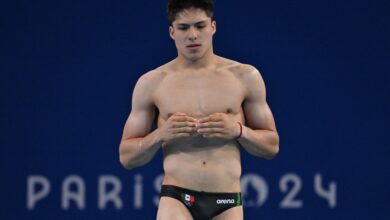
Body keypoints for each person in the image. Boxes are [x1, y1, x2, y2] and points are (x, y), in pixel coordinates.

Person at [119, 0, 279, 219]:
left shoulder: (245, 77)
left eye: (200, 26)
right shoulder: (151, 83)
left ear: (213, 27)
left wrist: (239, 131)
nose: (192, 35)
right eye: (184, 27)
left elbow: (272, 146)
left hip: (227, 200)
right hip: (177, 198)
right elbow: (126, 157)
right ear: (172, 32)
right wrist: (160, 135)